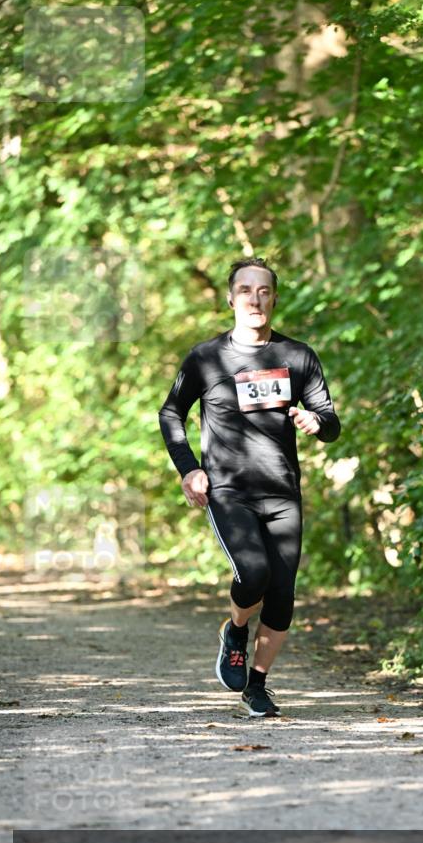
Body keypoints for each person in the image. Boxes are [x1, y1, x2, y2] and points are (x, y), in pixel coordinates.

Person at [158, 257, 341, 717]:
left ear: (274, 298)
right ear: (231, 299)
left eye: (263, 291)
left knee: (282, 594)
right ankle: (236, 630)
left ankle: (257, 685)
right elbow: (171, 413)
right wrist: (189, 469)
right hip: (228, 489)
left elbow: (330, 421)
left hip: (282, 491)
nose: (255, 299)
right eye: (245, 290)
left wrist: (316, 421)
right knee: (254, 573)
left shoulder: (298, 356)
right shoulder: (206, 358)